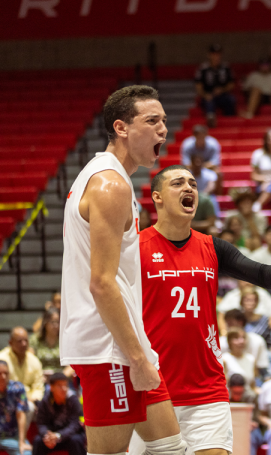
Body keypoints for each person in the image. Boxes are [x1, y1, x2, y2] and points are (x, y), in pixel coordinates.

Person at [133, 164, 271, 455]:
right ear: (157, 197)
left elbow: (261, 273)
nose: (189, 188)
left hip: (206, 388)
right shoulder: (134, 247)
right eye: (178, 183)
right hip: (151, 385)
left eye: (193, 184)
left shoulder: (213, 247)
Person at [59, 85, 186, 454]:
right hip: (108, 347)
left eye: (164, 121)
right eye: (152, 121)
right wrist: (136, 357)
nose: (164, 129)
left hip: (122, 341)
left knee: (171, 448)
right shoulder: (110, 185)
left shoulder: (106, 176)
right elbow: (101, 283)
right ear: (121, 127)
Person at [33, 373, 85, 455]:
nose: (64, 389)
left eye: (66, 385)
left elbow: (75, 424)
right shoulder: (45, 401)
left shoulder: (73, 399)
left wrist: (58, 435)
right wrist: (47, 436)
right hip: (51, 436)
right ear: (51, 387)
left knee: (76, 440)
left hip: (69, 436)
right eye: (60, 386)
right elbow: (41, 424)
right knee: (38, 441)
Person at [0, 328, 44, 410]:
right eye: (19, 341)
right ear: (10, 343)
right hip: (6, 399)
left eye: (26, 340)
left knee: (30, 407)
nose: (24, 344)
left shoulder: (34, 360)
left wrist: (30, 400)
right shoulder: (2, 359)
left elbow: (38, 388)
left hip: (30, 401)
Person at [194, 44, 236, 126]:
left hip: (223, 95)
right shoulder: (203, 69)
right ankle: (211, 120)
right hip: (208, 95)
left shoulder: (226, 68)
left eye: (218, 54)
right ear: (209, 55)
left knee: (231, 99)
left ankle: (230, 121)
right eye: (214, 54)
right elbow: (198, 86)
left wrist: (222, 90)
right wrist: (205, 95)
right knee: (209, 101)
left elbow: (231, 84)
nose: (216, 57)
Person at [0, 360, 31, 455]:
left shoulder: (17, 388)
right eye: (0, 374)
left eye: (6, 373)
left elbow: (21, 415)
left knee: (26, 453)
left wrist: (21, 442)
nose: (3, 377)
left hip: (12, 436)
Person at [28, 309, 71, 377]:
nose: (56, 325)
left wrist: (63, 376)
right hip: (40, 377)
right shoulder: (35, 340)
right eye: (53, 322)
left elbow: (72, 364)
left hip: (61, 378)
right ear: (45, 323)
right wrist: (39, 376)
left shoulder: (65, 340)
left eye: (58, 322)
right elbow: (30, 360)